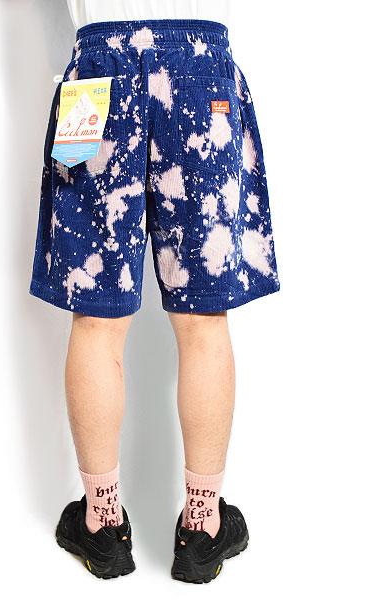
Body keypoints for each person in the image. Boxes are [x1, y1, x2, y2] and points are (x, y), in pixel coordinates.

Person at [29, 3, 280, 583]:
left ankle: (101, 523)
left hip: (98, 76)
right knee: (204, 321)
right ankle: (203, 527)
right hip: (201, 72)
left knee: (97, 320)